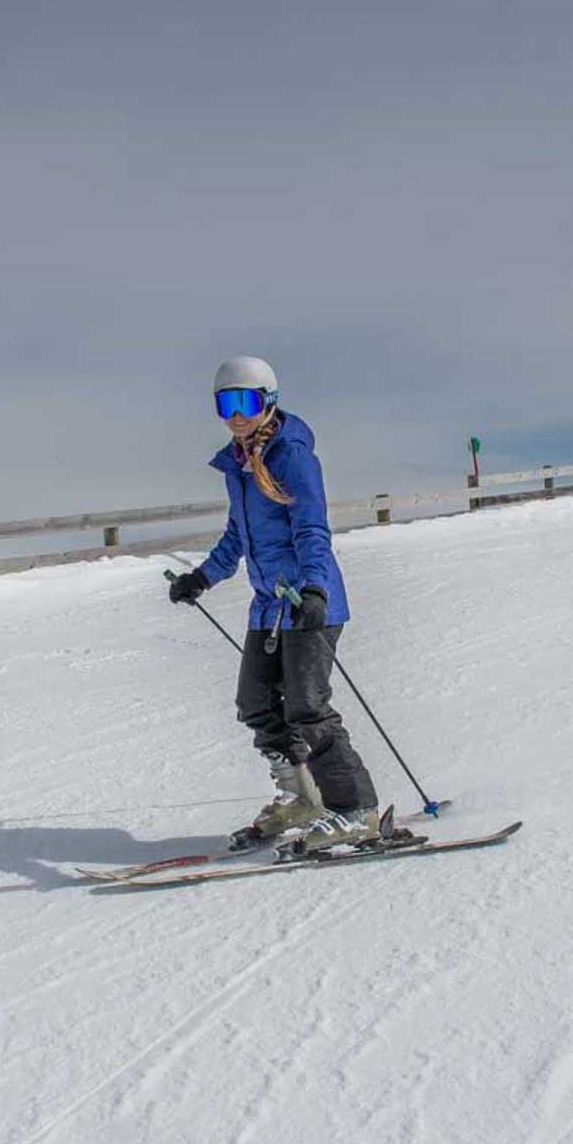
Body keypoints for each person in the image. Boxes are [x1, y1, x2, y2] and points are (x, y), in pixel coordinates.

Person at [168, 355, 379, 852]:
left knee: (307, 708)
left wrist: (315, 589)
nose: (236, 414)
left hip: (310, 603)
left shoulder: (293, 456)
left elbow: (311, 529)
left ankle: (356, 810)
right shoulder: (238, 465)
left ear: (269, 401)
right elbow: (238, 537)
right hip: (268, 609)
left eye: (246, 401)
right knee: (256, 704)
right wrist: (202, 577)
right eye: (226, 403)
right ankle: (303, 798)